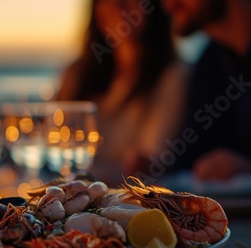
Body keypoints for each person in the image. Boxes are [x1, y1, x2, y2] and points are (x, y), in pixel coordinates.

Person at [57, 0, 189, 186]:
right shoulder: (76, 74)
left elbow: (146, 163)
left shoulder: (173, 77)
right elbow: (53, 143)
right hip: (72, 198)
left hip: (127, 203)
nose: (117, 5)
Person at [162, 0, 251, 181]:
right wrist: (157, 169)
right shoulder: (212, 62)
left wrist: (247, 167)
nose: (169, 5)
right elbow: (193, 153)